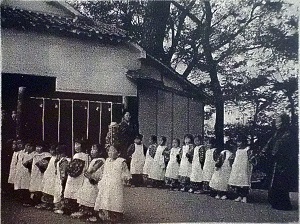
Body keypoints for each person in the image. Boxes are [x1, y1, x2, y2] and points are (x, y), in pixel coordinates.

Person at [261, 113, 298, 210]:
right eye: (276, 122)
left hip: (284, 162)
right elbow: (269, 143)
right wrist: (263, 152)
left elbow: (290, 150)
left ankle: (283, 204)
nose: (276, 124)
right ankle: (275, 201)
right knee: (275, 182)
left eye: (279, 122)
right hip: (276, 162)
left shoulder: (288, 134)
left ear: (284, 122)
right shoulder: (277, 134)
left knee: (281, 183)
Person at [94, 143, 132, 223]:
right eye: (109, 150)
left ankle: (115, 217)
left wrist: (125, 178)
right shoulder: (107, 161)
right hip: (106, 183)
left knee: (115, 200)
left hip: (116, 184)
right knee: (105, 199)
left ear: (119, 153)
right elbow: (102, 171)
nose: (110, 152)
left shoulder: (121, 161)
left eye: (113, 150)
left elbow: (125, 173)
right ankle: (105, 216)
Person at [71, 144, 105, 221]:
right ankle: (85, 212)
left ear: (100, 152)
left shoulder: (100, 160)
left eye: (94, 149)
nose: (92, 151)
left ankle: (94, 215)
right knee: (85, 195)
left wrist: (89, 175)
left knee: (92, 197)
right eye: (91, 149)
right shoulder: (93, 160)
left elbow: (91, 171)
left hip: (95, 182)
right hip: (89, 181)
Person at [64, 139, 90, 215]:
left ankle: (70, 209)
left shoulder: (78, 155)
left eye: (77, 144)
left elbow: (73, 169)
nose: (75, 146)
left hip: (75, 178)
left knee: (71, 192)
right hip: (82, 177)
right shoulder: (87, 156)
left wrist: (68, 164)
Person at [228, 135, 255, 203]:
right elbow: (232, 158)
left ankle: (244, 196)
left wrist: (251, 161)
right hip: (237, 168)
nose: (238, 144)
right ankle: (239, 195)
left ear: (243, 142)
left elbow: (251, 158)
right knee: (237, 182)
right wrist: (232, 163)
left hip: (244, 168)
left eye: (239, 142)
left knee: (244, 182)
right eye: (237, 142)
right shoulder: (237, 150)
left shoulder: (247, 149)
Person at [14, 140, 37, 206]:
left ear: (32, 147)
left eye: (28, 146)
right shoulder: (24, 154)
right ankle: (24, 200)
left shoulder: (34, 154)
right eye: (26, 146)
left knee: (29, 187)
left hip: (30, 173)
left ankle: (30, 201)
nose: (27, 148)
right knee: (23, 186)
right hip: (24, 172)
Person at [29, 141, 52, 206]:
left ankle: (42, 201)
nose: (38, 148)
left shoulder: (47, 155)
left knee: (41, 186)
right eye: (37, 147)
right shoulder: (34, 155)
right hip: (35, 172)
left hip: (42, 173)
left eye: (40, 147)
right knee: (35, 185)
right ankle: (34, 200)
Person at [53, 144, 70, 214]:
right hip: (59, 178)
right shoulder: (60, 160)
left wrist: (63, 179)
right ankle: (59, 206)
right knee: (59, 191)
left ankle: (62, 207)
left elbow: (63, 172)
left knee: (62, 192)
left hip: (62, 179)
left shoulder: (65, 161)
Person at [40, 144, 57, 210]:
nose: (51, 151)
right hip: (48, 176)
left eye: (52, 150)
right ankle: (46, 203)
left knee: (51, 191)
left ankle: (50, 204)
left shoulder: (56, 158)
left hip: (52, 177)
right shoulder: (51, 158)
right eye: (51, 150)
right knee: (46, 190)